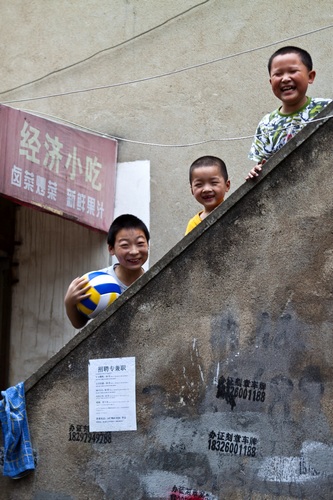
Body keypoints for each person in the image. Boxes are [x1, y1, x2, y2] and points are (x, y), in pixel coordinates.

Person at [246, 46, 331, 180]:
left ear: (310, 76)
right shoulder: (266, 124)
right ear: (270, 82)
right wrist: (256, 171)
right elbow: (263, 165)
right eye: (278, 74)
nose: (285, 79)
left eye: (293, 71)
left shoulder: (326, 108)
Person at [65, 214, 150, 328]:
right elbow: (79, 324)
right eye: (125, 245)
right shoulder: (95, 283)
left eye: (140, 244)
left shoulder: (154, 280)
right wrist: (69, 302)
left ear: (148, 245)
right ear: (111, 248)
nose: (134, 251)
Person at [185, 155, 230, 235]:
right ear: (192, 190)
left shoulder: (234, 209)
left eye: (213, 183)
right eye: (199, 184)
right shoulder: (193, 224)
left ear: (227, 185)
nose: (206, 189)